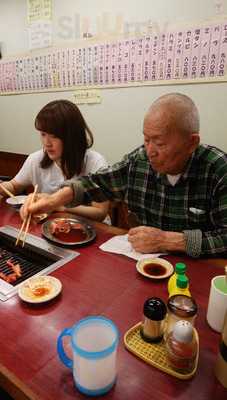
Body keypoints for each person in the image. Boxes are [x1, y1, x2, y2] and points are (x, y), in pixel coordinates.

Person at [21, 93, 227, 257]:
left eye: (160, 143)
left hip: (197, 272)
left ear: (191, 143)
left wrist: (167, 240)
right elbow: (96, 183)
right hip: (142, 263)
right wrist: (52, 201)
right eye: (146, 139)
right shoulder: (139, 161)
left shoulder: (218, 170)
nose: (150, 151)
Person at [0, 99, 109, 221]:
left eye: (54, 136)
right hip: (50, 227)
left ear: (72, 136)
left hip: (90, 229)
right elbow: (14, 186)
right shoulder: (36, 159)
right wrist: (3, 187)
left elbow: (100, 212)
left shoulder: (95, 162)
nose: (47, 143)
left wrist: (58, 205)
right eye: (43, 134)